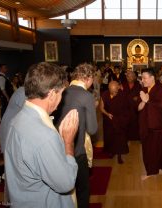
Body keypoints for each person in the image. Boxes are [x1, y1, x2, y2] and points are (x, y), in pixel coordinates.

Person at [4, 62, 79, 208]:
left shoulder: (17, 119)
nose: (61, 99)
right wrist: (68, 142)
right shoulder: (44, 136)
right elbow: (65, 183)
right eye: (61, 93)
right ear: (51, 94)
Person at [54, 63, 98, 208]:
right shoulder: (86, 95)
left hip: (58, 147)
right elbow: (92, 129)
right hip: (77, 149)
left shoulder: (63, 91)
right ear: (89, 78)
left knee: (65, 187)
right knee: (83, 188)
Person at [138, 68, 162, 180]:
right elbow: (138, 108)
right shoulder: (144, 89)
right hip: (146, 124)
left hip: (158, 125)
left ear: (152, 77)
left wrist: (148, 101)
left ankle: (153, 171)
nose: (142, 80)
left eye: (145, 78)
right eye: (142, 78)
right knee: (148, 149)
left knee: (156, 149)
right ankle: (156, 168)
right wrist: (143, 101)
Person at [100, 81, 130, 163]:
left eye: (115, 91)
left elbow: (127, 108)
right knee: (109, 136)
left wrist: (124, 118)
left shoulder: (123, 95)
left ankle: (119, 155)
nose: (114, 93)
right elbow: (101, 108)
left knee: (120, 138)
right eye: (112, 91)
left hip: (120, 119)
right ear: (108, 89)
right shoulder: (105, 94)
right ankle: (111, 151)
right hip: (108, 119)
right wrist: (107, 114)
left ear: (118, 88)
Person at [122, 70, 142, 140]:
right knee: (126, 123)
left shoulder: (138, 85)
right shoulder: (122, 85)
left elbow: (140, 95)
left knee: (135, 123)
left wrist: (138, 97)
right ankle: (126, 137)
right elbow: (120, 96)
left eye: (131, 77)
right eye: (128, 77)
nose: (129, 78)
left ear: (134, 77)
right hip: (125, 108)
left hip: (134, 108)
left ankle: (135, 137)